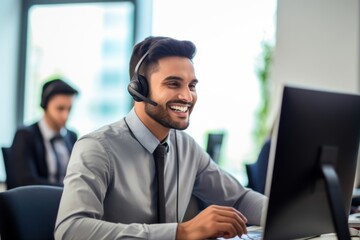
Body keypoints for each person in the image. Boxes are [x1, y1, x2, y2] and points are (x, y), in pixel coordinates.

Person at [55, 36, 266, 240]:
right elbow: (70, 230)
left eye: (191, 86)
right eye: (173, 84)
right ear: (139, 89)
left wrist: (287, 216)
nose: (187, 96)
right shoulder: (96, 148)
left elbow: (240, 198)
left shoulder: (187, 148)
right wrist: (181, 233)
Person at [11, 78, 79, 187]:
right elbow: (26, 181)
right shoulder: (25, 135)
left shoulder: (72, 136)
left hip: (67, 200)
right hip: (39, 200)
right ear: (45, 106)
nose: (66, 116)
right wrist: (67, 190)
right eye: (60, 109)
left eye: (69, 109)